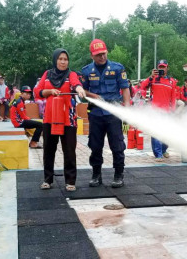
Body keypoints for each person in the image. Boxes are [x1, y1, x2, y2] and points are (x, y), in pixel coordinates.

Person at [34, 48, 86, 191]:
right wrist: (50, 91)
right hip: (49, 118)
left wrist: (79, 88)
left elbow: (76, 83)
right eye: (60, 59)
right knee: (48, 150)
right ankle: (47, 179)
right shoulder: (47, 74)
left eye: (65, 59)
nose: (63, 62)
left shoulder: (71, 74)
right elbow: (37, 92)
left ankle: (70, 181)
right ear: (55, 59)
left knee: (69, 150)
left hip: (68, 118)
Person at [81, 39, 130, 188]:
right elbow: (81, 93)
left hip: (113, 113)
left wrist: (126, 109)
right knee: (95, 146)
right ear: (92, 56)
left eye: (103, 54)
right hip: (95, 113)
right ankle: (96, 175)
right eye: (97, 55)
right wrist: (93, 95)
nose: (101, 57)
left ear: (107, 52)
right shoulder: (86, 71)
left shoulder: (117, 68)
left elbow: (125, 88)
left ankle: (118, 175)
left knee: (117, 146)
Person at [140, 59, 177, 162]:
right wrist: (151, 76)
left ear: (167, 68)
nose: (162, 69)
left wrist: (173, 110)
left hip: (167, 111)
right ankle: (158, 154)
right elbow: (143, 86)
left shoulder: (172, 81)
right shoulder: (154, 79)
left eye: (163, 67)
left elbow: (173, 98)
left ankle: (164, 149)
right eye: (160, 67)